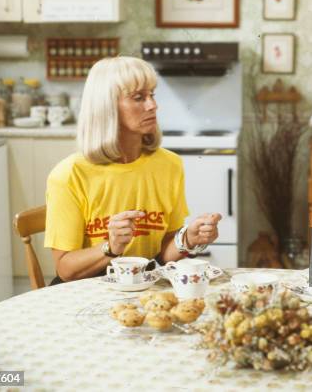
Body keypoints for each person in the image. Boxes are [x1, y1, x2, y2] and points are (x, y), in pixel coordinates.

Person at [44, 56, 221, 284]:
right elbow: (65, 269)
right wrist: (111, 247)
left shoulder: (169, 165)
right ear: (107, 107)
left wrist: (187, 239)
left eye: (152, 95)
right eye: (138, 97)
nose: (152, 105)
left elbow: (163, 253)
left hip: (144, 286)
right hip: (86, 292)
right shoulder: (69, 174)